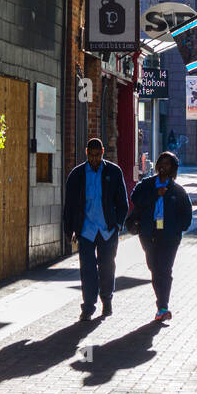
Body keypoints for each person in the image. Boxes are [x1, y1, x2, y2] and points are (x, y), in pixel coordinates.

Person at [62, 138, 130, 322]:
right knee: (87, 270)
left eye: (97, 155)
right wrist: (70, 231)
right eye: (91, 156)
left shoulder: (114, 172)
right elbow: (69, 206)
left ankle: (107, 300)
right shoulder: (77, 175)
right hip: (86, 230)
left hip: (107, 229)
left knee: (107, 267)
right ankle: (88, 307)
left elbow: (122, 202)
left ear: (102, 152)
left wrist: (117, 224)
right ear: (86, 153)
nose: (94, 159)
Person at [127, 150, 192, 322]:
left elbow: (186, 215)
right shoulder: (146, 184)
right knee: (154, 269)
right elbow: (136, 199)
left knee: (165, 269)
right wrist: (156, 194)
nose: (163, 166)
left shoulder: (178, 190)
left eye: (167, 164)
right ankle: (161, 303)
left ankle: (163, 306)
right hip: (149, 234)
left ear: (173, 168)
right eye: (161, 163)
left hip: (169, 237)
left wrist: (176, 229)